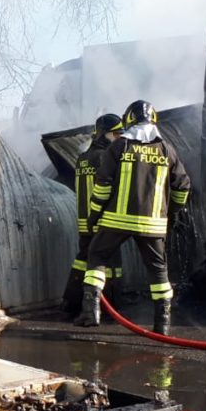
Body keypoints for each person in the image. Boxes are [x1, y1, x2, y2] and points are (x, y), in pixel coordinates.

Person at [76, 100, 190, 333]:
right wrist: (172, 214)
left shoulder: (119, 147)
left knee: (96, 255)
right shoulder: (167, 150)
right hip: (152, 224)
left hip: (116, 221)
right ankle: (163, 324)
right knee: (158, 270)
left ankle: (91, 312)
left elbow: (103, 186)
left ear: (129, 120)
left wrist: (94, 215)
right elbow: (183, 187)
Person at [61, 113, 131, 317]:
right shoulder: (106, 158)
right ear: (103, 134)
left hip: (85, 221)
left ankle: (70, 302)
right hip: (103, 221)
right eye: (116, 134)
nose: (119, 138)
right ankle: (112, 304)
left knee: (83, 259)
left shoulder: (82, 159)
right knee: (110, 265)